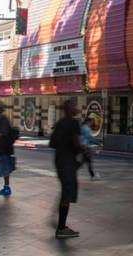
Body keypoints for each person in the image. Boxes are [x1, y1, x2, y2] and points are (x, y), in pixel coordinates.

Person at [49, 100, 83, 239]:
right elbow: (76, 144)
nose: (77, 108)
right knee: (67, 193)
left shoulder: (59, 123)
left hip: (59, 161)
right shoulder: (74, 123)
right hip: (68, 162)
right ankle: (61, 228)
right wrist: (83, 149)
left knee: (66, 192)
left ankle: (60, 224)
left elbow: (52, 143)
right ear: (69, 109)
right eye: (75, 105)